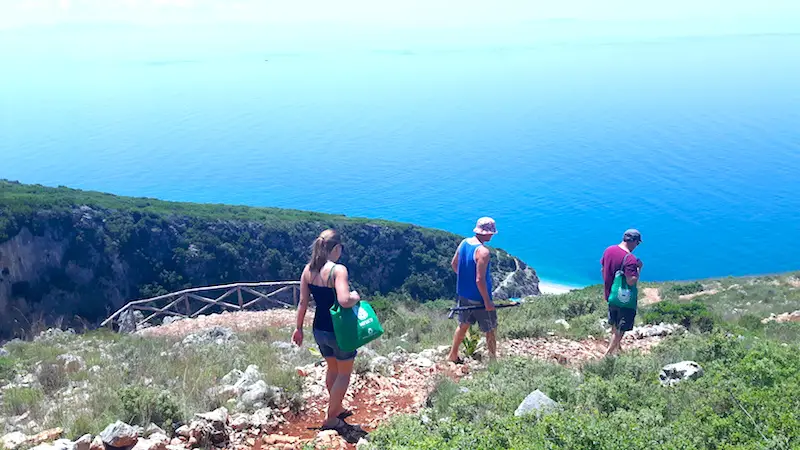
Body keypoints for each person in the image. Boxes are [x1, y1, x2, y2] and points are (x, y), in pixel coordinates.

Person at [293, 229, 361, 433]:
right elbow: (344, 300)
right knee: (344, 373)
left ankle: (337, 407)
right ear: (337, 248)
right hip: (339, 330)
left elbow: (303, 302)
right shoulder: (338, 270)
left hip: (319, 328)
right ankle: (331, 418)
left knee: (332, 368)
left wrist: (298, 329)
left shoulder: (308, 270)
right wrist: (356, 296)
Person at [446, 217, 499, 363]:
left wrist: (465, 280)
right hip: (479, 298)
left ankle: (453, 355)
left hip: (463, 295)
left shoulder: (464, 243)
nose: (492, 235)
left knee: (463, 325)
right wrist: (487, 301)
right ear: (487, 233)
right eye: (491, 233)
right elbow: (480, 280)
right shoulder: (483, 252)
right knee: (490, 329)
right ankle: (493, 360)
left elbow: (454, 264)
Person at [601, 229, 643, 356]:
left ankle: (617, 348)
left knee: (614, 324)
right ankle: (607, 355)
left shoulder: (609, 250)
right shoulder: (630, 259)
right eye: (637, 243)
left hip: (611, 295)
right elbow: (631, 281)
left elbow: (603, 268)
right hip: (624, 300)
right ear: (634, 242)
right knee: (621, 328)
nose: (636, 246)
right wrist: (639, 268)